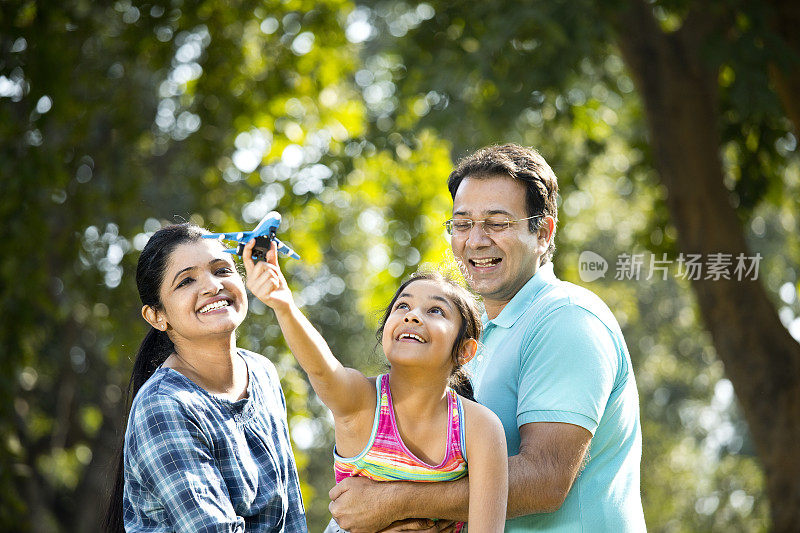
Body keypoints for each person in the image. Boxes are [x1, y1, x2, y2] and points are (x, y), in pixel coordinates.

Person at [329, 143, 646, 532]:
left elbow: (546, 478)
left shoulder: (567, 320)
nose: (475, 240)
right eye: (462, 224)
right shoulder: (465, 329)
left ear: (542, 233)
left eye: (497, 223)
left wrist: (397, 500)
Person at [246, 238, 508, 532]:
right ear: (386, 333)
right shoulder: (361, 401)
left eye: (436, 311)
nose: (412, 315)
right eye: (403, 306)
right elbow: (321, 370)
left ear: (465, 351)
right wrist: (283, 304)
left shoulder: (480, 428)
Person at [104, 223, 306, 532]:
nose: (212, 286)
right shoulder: (164, 406)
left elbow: (292, 518)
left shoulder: (263, 373)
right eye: (185, 281)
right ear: (158, 316)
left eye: (222, 270)